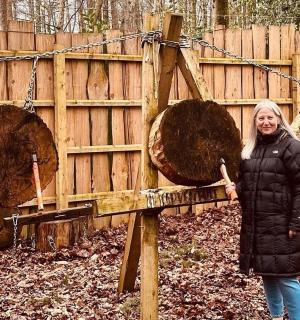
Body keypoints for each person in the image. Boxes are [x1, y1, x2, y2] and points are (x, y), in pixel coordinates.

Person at [226, 99, 300, 320]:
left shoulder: (292, 147)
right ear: (255, 121)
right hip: (257, 225)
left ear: (278, 119)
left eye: (270, 117)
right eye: (261, 118)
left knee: (286, 277)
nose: (266, 122)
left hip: (283, 225)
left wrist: (296, 222)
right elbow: (248, 185)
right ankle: (276, 317)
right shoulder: (250, 149)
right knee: (267, 274)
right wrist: (235, 187)